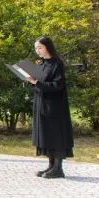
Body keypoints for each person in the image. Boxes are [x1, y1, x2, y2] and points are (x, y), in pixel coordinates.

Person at [25, 37, 74, 179]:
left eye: (40, 47)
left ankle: (58, 168)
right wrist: (31, 80)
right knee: (46, 134)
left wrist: (36, 82)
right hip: (42, 104)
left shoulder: (57, 64)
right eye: (36, 48)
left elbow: (58, 85)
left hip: (55, 106)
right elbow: (39, 82)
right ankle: (51, 166)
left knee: (56, 135)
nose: (37, 50)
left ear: (48, 47)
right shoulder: (41, 64)